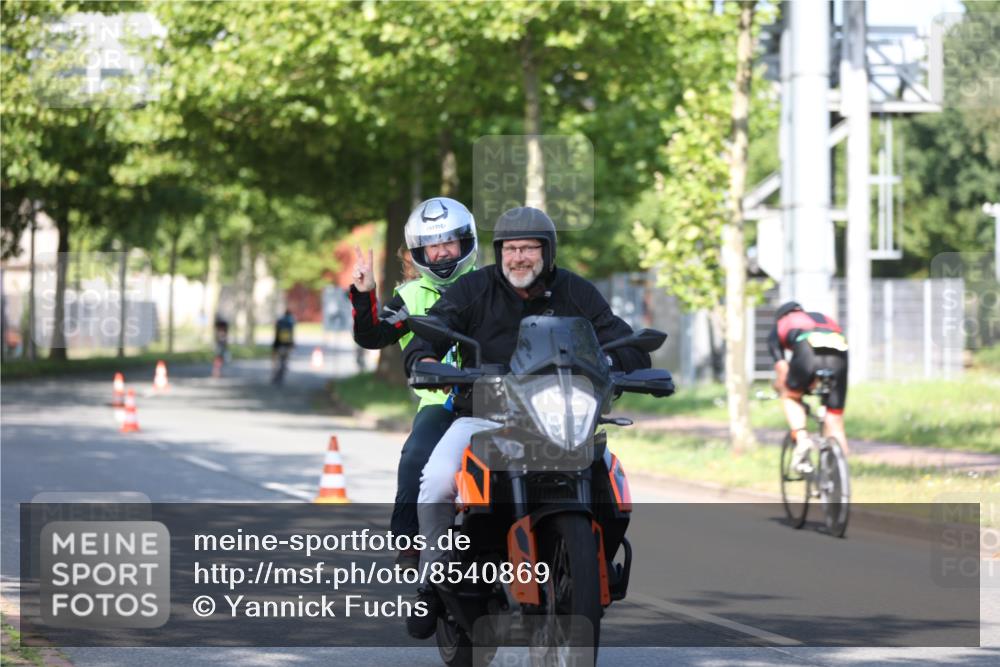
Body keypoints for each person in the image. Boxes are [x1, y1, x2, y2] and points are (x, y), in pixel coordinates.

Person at [401, 206, 651, 639]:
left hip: (561, 422)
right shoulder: (473, 289)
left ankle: (593, 569)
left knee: (610, 482)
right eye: (511, 248)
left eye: (529, 248)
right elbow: (434, 329)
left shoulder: (575, 291)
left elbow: (620, 337)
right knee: (438, 479)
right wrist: (424, 358)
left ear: (547, 252)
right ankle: (429, 582)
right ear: (499, 253)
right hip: (483, 417)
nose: (519, 257)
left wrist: (615, 360)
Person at [349, 197, 478, 571]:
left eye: (449, 243)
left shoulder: (487, 285)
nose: (441, 253)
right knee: (415, 458)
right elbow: (372, 336)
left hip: (495, 397)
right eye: (432, 246)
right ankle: (408, 541)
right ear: (420, 252)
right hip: (441, 403)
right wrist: (363, 293)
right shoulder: (409, 297)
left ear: (465, 243)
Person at [768, 301, 850, 473]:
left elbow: (783, 372)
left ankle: (802, 438)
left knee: (789, 395)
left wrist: (780, 388)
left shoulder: (780, 326)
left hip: (807, 348)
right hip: (840, 351)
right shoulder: (822, 318)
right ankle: (840, 475)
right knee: (834, 419)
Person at [272, 309, 296, 382]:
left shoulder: (279, 321)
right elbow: (292, 334)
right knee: (285, 358)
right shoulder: (290, 322)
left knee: (276, 360)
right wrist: (292, 344)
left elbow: (276, 333)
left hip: (278, 343)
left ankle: (275, 374)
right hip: (287, 344)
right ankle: (283, 368)